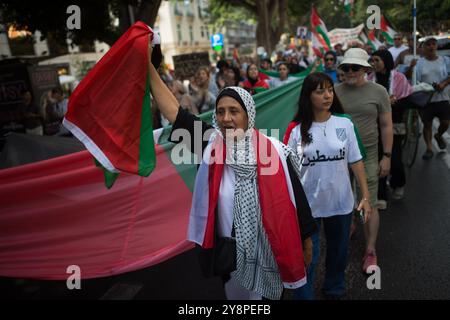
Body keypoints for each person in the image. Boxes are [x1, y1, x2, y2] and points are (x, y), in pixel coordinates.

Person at [147, 43, 317, 300]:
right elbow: (174, 112)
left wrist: (306, 241)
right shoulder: (208, 143)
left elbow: (295, 200)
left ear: (248, 115)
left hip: (270, 250)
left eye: (234, 111)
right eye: (221, 112)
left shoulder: (274, 150)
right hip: (232, 255)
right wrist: (147, 68)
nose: (226, 118)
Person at [284, 72, 372, 299]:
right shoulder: (295, 129)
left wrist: (365, 196)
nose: (327, 95)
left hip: (341, 202)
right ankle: (305, 295)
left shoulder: (345, 123)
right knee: (308, 256)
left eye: (330, 90)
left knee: (338, 252)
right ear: (308, 95)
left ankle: (334, 287)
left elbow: (356, 160)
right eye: (320, 91)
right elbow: (288, 171)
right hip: (308, 207)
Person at [335, 48, 393, 274]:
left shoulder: (379, 92)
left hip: (367, 155)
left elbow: (386, 126)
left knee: (369, 201)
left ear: (366, 70)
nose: (350, 71)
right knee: (342, 199)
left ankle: (370, 251)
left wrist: (386, 156)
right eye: (346, 67)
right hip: (338, 157)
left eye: (355, 67)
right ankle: (349, 223)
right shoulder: (334, 92)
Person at [368, 50, 414, 201]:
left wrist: (395, 102)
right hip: (375, 127)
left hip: (395, 125)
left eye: (376, 60)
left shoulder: (399, 78)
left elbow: (408, 100)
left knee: (394, 160)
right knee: (377, 160)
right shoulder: (368, 79)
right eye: (372, 60)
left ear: (385, 61)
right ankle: (381, 194)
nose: (373, 63)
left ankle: (398, 183)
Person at [415, 37, 450, 160]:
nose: (431, 46)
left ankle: (439, 135)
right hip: (426, 99)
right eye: (428, 44)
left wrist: (443, 84)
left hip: (443, 97)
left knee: (445, 123)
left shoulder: (445, 60)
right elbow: (416, 80)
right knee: (427, 124)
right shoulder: (419, 63)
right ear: (424, 48)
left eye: (433, 44)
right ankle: (429, 148)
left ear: (436, 46)